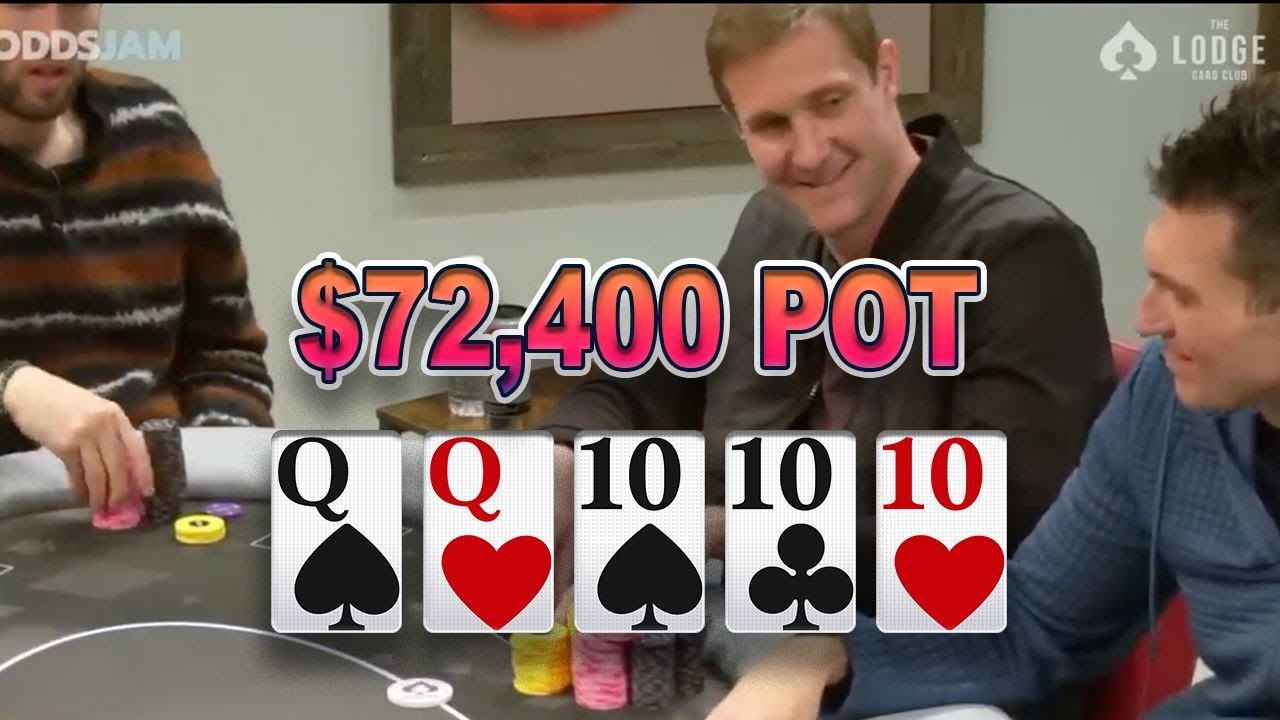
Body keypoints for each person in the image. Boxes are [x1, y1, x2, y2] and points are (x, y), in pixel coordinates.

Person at [539, 5, 1113, 718]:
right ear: (738, 128)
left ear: (887, 73)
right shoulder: (775, 223)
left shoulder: (1022, 252)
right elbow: (652, 379)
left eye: (831, 102)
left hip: (923, 663)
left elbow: (996, 540)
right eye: (772, 124)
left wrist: (715, 530)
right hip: (743, 618)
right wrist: (563, 457)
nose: (809, 153)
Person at [705, 71, 1280, 720]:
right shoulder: (1167, 402)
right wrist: (821, 659)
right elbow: (1035, 622)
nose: (1146, 320)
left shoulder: (1022, 249)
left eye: (1184, 296)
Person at [0, 5, 273, 514]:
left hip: (172, 512)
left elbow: (225, 355)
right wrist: (13, 388)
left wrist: (211, 492)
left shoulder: (154, 128)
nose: (53, 35)